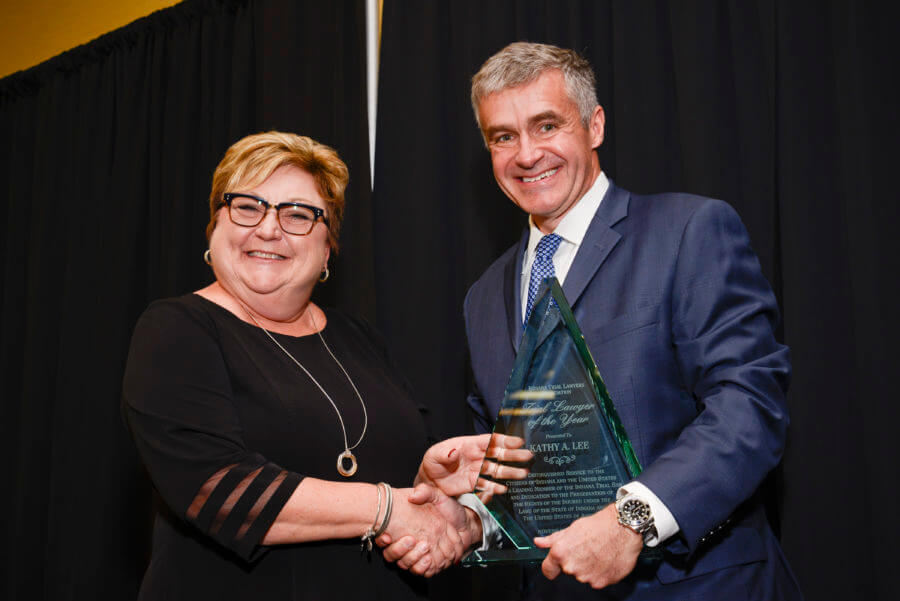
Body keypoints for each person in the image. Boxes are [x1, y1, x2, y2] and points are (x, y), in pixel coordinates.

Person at [458, 42, 803, 599]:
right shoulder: (481, 299)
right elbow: (504, 462)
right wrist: (466, 513)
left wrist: (633, 520)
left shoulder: (688, 230)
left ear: (594, 126)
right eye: (503, 136)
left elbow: (750, 405)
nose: (526, 154)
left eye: (547, 125)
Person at [122, 131, 525, 599]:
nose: (268, 229)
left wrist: (425, 482)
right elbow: (218, 488)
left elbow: (379, 470)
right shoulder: (176, 328)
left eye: (297, 214)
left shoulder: (360, 339)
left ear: (328, 247)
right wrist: (388, 507)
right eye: (247, 207)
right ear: (215, 228)